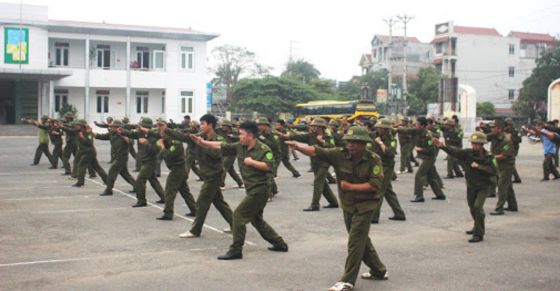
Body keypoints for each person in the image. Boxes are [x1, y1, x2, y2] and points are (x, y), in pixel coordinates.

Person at [287, 126, 388, 291]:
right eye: (349, 142)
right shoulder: (339, 154)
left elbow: (375, 185)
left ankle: (347, 281)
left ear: (364, 144)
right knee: (362, 240)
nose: (351, 145)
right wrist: (298, 147)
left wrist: (350, 186)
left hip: (366, 205)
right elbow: (317, 151)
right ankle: (379, 270)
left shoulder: (373, 159)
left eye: (355, 142)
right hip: (348, 205)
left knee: (355, 241)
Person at [191, 121, 288, 260]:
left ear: (250, 135)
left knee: (238, 216)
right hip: (251, 189)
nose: (239, 136)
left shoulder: (263, 149)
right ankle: (279, 243)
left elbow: (269, 166)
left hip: (260, 190)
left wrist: (253, 162)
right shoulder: (240, 146)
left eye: (241, 134)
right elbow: (221, 145)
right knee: (256, 220)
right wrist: (202, 142)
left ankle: (236, 250)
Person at [172, 114, 233, 238]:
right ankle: (236, 224)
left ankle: (195, 230)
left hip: (214, 175)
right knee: (219, 202)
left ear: (210, 125)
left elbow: (216, 155)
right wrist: (167, 130)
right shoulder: (199, 137)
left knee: (201, 202)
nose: (201, 126)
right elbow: (184, 137)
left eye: (203, 124)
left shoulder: (218, 139)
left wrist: (202, 144)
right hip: (207, 175)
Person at [434, 132, 497, 243]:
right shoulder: (468, 153)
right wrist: (442, 146)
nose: (475, 146)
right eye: (473, 143)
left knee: (478, 207)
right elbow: (455, 152)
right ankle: (476, 226)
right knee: (472, 207)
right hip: (471, 185)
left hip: (484, 186)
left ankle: (479, 234)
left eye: (477, 144)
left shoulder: (489, 156)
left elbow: (493, 171)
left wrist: (479, 166)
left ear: (482, 144)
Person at [277, 117, 339, 211]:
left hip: (324, 162)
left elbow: (333, 148)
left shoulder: (328, 136)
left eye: (315, 126)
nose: (313, 128)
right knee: (323, 184)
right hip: (315, 163)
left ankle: (315, 204)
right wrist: (286, 136)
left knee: (318, 182)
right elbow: (298, 137)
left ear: (321, 127)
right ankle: (333, 202)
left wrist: (322, 141)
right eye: (313, 126)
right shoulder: (311, 136)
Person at [153, 119, 196, 220]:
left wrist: (163, 147)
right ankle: (194, 210)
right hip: (178, 170)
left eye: (163, 133)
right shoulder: (168, 141)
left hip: (178, 170)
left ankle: (168, 213)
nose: (161, 134)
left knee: (169, 190)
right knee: (185, 191)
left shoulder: (176, 142)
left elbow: (168, 155)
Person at [398, 117, 446, 202]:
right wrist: (395, 129)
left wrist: (421, 149)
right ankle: (440, 194)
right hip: (425, 157)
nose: (416, 125)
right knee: (431, 177)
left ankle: (419, 196)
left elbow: (431, 150)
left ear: (423, 126)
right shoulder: (417, 131)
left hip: (429, 158)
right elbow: (406, 131)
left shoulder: (428, 135)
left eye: (417, 124)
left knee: (419, 175)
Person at [369, 118, 406, 223]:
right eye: (379, 128)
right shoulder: (373, 135)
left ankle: (374, 217)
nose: (380, 130)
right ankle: (399, 213)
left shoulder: (392, 140)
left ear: (387, 129)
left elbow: (390, 153)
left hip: (386, 166)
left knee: (379, 190)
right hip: (377, 165)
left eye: (382, 128)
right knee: (388, 191)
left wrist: (380, 143)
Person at [124, 118, 165, 207]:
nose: (140, 127)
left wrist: (146, 144)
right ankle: (164, 197)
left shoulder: (154, 136)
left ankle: (141, 201)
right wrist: (122, 131)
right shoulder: (141, 133)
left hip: (150, 162)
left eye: (142, 126)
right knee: (153, 180)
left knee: (140, 181)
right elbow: (132, 134)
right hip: (144, 161)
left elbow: (155, 151)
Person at [95, 120, 136, 196]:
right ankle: (137, 187)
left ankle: (109, 189)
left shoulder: (125, 133)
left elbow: (131, 142)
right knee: (125, 174)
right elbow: (102, 136)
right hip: (115, 156)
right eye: (112, 127)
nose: (111, 128)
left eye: (114, 127)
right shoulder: (112, 133)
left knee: (112, 172)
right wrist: (92, 133)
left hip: (121, 157)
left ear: (118, 127)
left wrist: (123, 136)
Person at [487, 120, 518, 215]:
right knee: (508, 186)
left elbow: (504, 156)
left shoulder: (506, 140)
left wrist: (490, 157)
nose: (491, 129)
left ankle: (499, 208)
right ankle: (513, 206)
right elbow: (484, 138)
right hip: (499, 165)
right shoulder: (494, 136)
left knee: (501, 186)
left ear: (499, 129)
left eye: (493, 127)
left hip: (507, 166)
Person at [72, 119, 108, 187]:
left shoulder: (87, 132)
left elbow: (89, 142)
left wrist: (83, 137)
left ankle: (80, 182)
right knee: (97, 167)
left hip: (89, 152)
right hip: (86, 152)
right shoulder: (80, 132)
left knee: (81, 166)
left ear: (82, 126)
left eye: (78, 125)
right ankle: (107, 180)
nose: (76, 126)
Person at [218, 119, 245, 189]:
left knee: (223, 168)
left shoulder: (235, 132)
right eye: (222, 125)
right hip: (224, 153)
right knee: (230, 169)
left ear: (228, 127)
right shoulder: (220, 131)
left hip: (231, 154)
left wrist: (233, 136)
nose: (223, 127)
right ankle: (240, 183)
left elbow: (242, 138)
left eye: (224, 126)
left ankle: (221, 184)